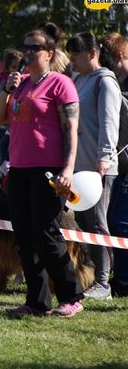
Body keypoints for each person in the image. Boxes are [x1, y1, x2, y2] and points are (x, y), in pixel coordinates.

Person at [0, 27, 85, 317]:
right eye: (25, 47)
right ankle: (37, 301)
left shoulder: (60, 84)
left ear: (50, 53)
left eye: (34, 48)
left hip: (48, 170)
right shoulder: (19, 85)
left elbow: (71, 129)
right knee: (25, 237)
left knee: (46, 235)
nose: (27, 52)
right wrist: (7, 89)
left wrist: (67, 168)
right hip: (19, 170)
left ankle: (72, 296)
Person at [66, 31, 121, 301]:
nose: (73, 60)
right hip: (79, 168)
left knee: (98, 223)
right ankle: (91, 277)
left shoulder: (105, 83)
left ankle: (104, 283)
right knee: (83, 222)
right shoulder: (79, 80)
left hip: (99, 168)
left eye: (76, 55)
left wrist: (104, 158)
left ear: (92, 53)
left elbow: (110, 123)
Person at [100, 32, 128, 297]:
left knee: (120, 222)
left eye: (108, 61)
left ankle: (123, 280)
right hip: (121, 167)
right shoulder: (117, 83)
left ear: (119, 56)